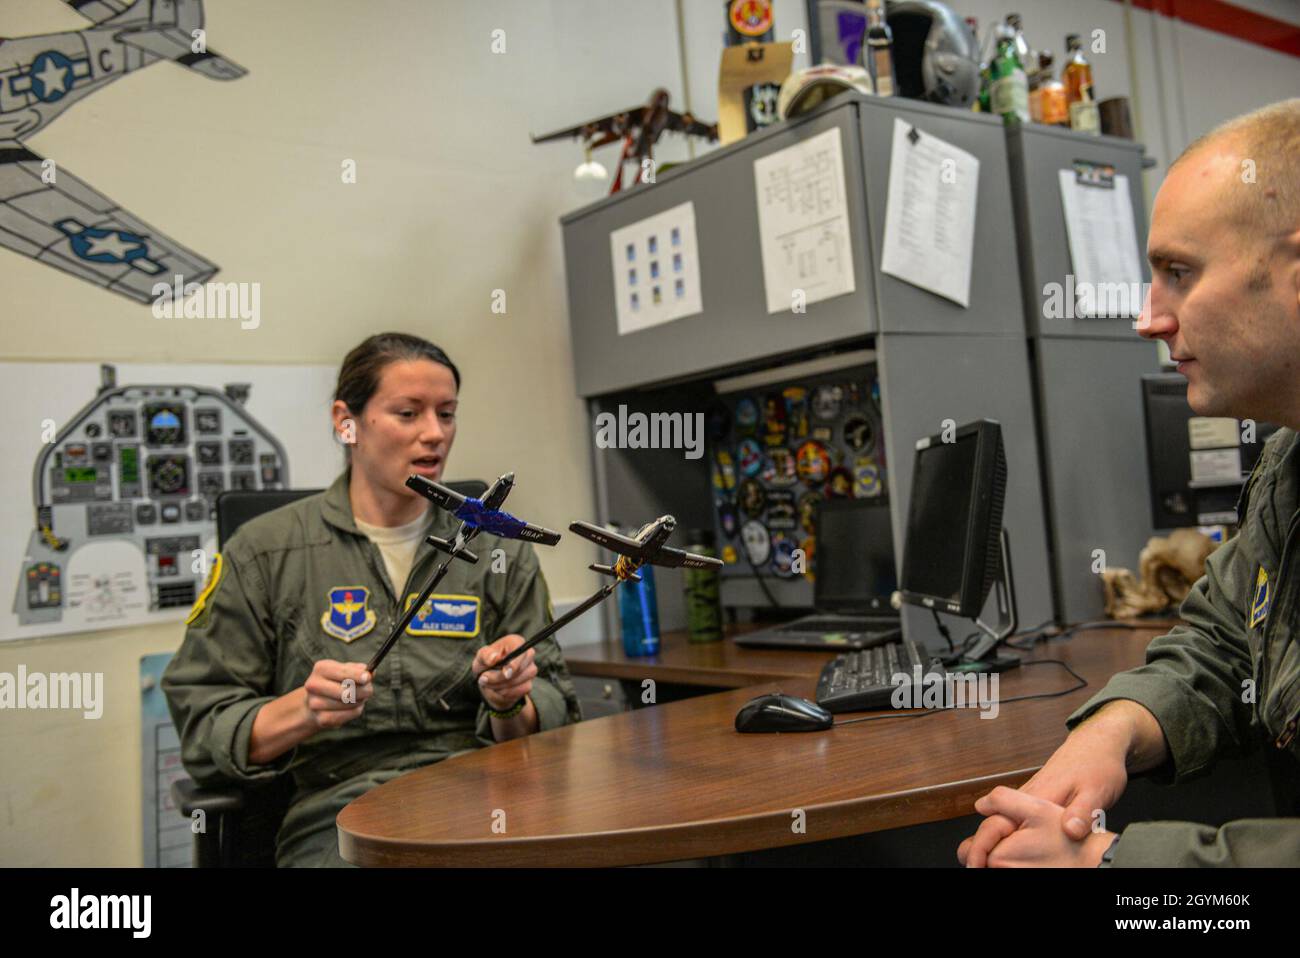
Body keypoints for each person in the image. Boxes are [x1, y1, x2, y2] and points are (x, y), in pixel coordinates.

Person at [959, 98, 1300, 867]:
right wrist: (1111, 730)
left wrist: (1110, 869)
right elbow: (1222, 642)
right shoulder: (1289, 466)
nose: (1149, 319)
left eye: (1179, 273)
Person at [162, 332, 582, 866]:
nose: (435, 434)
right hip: (343, 817)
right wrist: (304, 710)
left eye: (447, 414)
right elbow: (204, 730)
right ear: (347, 421)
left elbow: (556, 709)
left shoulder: (500, 552)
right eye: (408, 413)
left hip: (489, 800)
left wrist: (508, 701)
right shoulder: (265, 552)